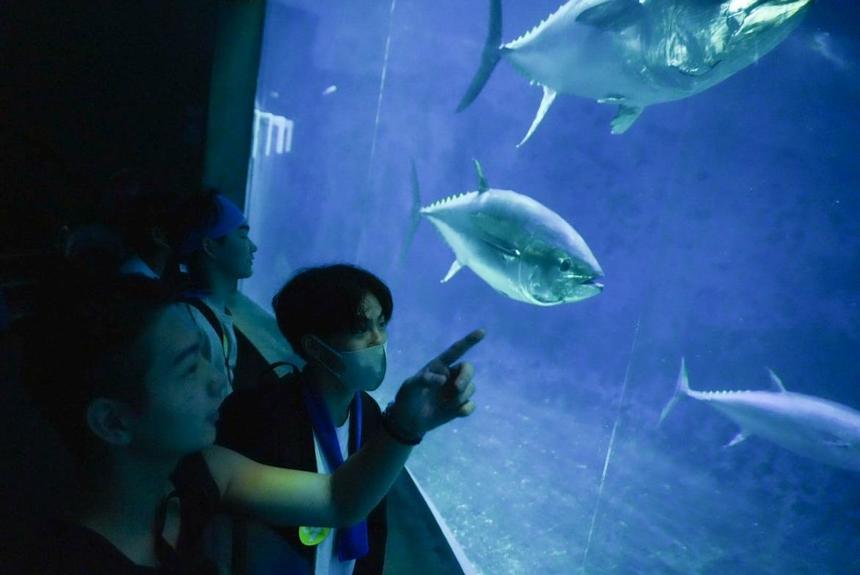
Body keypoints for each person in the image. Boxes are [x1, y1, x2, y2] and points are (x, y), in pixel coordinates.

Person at [15, 271, 482, 574]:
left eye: (206, 355)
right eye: (188, 368)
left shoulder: (208, 471)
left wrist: (405, 425)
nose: (219, 380)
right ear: (114, 421)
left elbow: (339, 499)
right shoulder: (62, 560)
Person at [217, 265, 397, 574]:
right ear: (315, 346)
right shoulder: (257, 416)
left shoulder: (368, 412)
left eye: (381, 323)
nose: (378, 339)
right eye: (359, 330)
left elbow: (374, 518)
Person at [179, 192, 257, 388]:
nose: (253, 247)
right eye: (243, 236)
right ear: (210, 247)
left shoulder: (211, 311)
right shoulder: (194, 324)